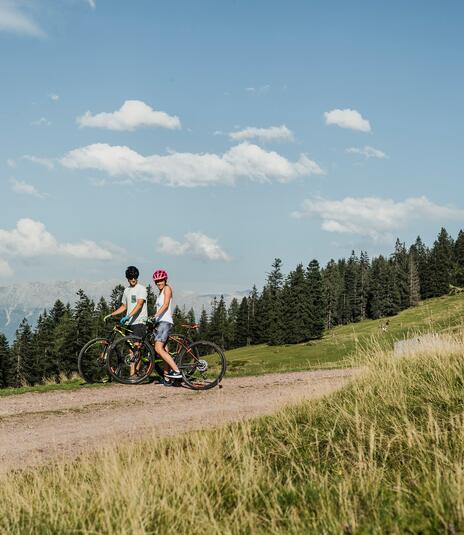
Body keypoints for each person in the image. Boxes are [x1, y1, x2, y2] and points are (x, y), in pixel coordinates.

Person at [151, 269, 182, 381]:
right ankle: (167, 377)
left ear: (165, 280)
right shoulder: (160, 292)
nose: (159, 283)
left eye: (161, 280)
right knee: (164, 350)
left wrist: (154, 316)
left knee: (158, 348)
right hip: (160, 322)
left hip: (165, 322)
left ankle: (177, 371)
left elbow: (165, 305)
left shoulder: (167, 289)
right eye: (156, 281)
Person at [105, 266, 148, 339]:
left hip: (139, 322)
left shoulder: (141, 289)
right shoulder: (126, 290)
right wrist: (111, 314)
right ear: (128, 278)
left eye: (135, 277)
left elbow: (139, 304)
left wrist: (128, 316)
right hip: (129, 323)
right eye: (131, 278)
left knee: (136, 347)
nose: (133, 279)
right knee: (130, 349)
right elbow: (124, 306)